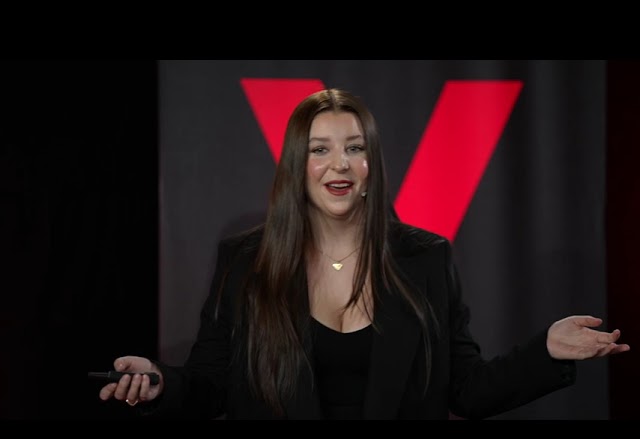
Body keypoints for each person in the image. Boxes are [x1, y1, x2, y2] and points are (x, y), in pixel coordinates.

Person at [98, 88, 630, 420]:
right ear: (296, 167)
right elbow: (209, 387)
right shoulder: (245, 261)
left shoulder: (425, 258)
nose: (341, 164)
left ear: (371, 165)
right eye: (320, 150)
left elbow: (466, 390)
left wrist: (547, 352)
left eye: (355, 148)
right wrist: (158, 383)